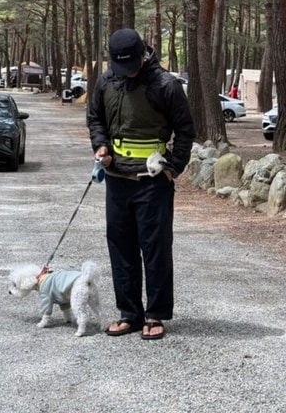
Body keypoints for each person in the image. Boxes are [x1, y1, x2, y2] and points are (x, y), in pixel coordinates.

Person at [87, 27, 195, 340]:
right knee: (121, 249)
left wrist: (173, 167)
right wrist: (101, 145)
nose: (127, 71)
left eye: (131, 65)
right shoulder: (107, 81)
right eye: (120, 66)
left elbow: (185, 130)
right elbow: (95, 118)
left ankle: (155, 314)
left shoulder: (166, 84)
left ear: (143, 53)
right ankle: (129, 313)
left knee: (155, 248)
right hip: (117, 178)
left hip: (153, 180)